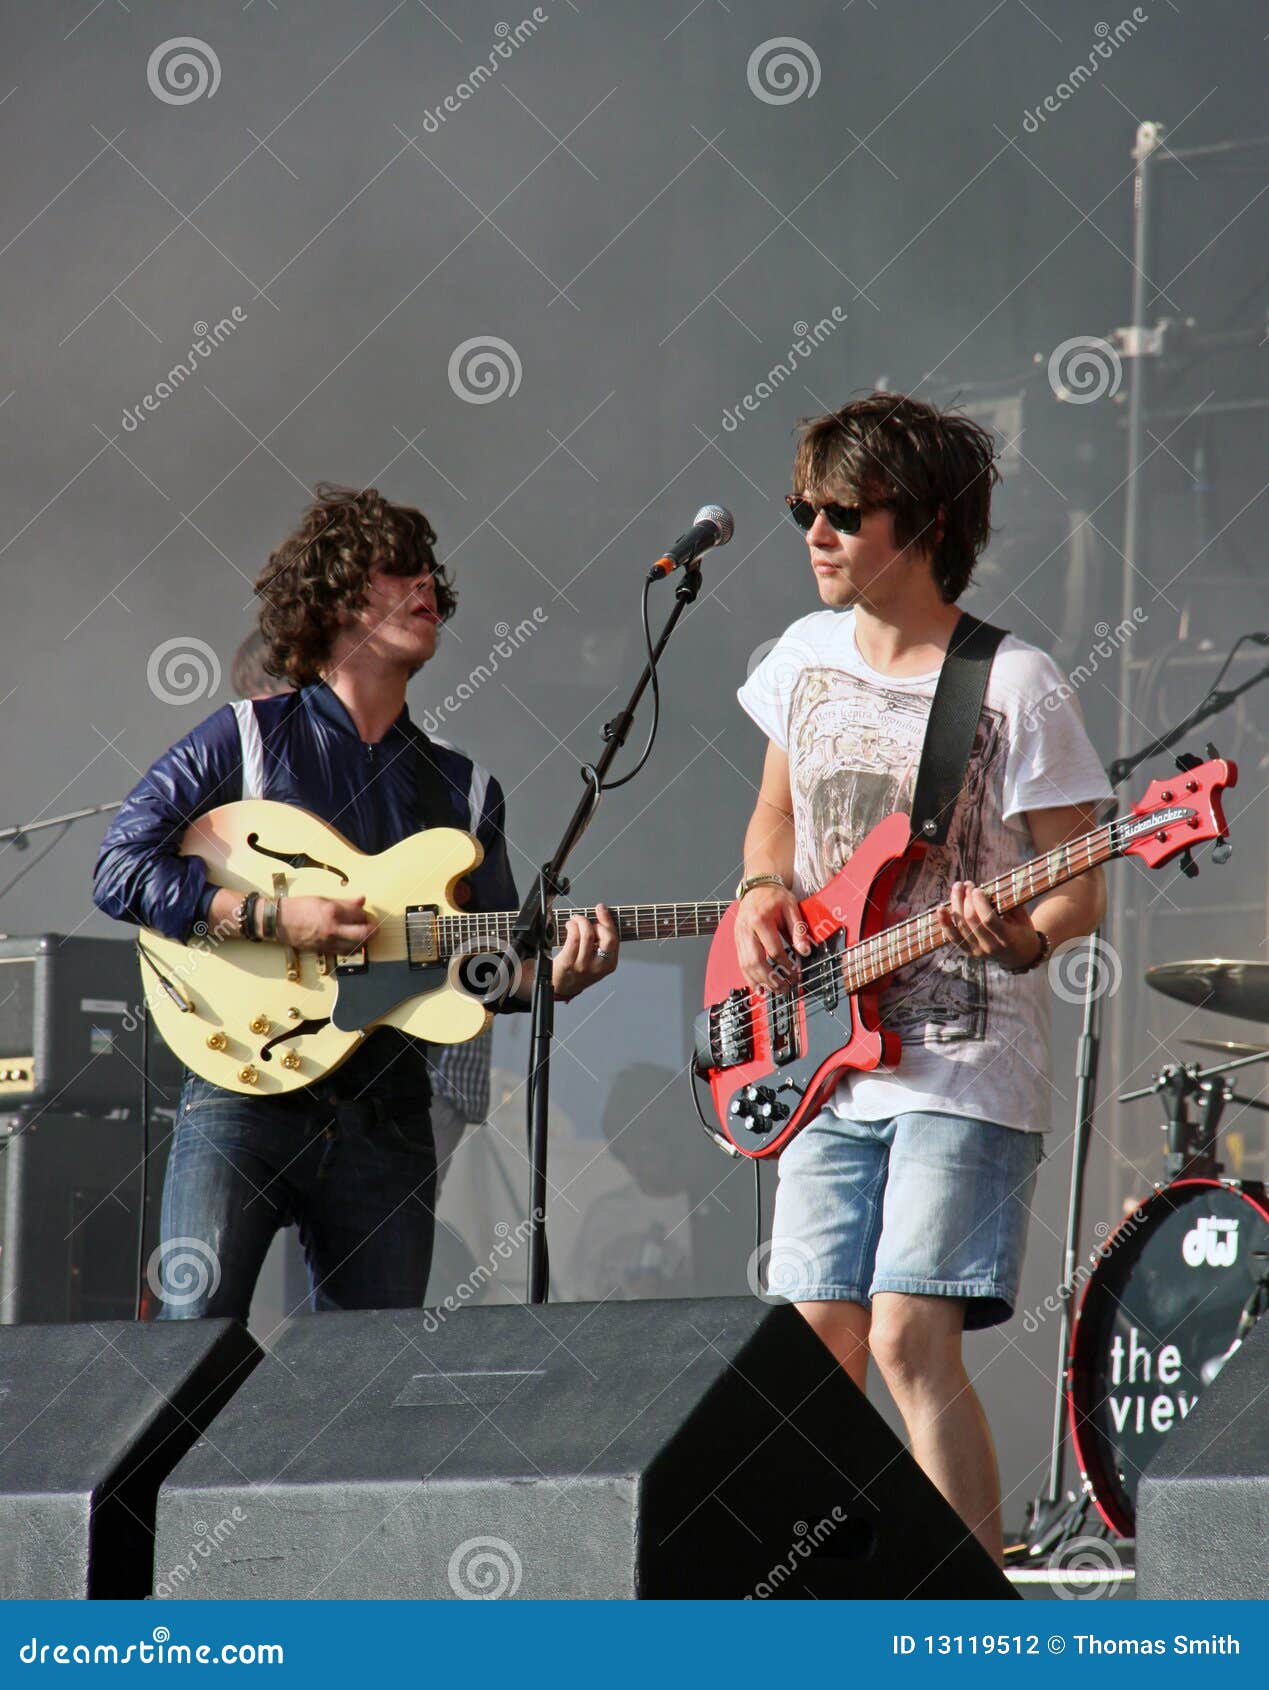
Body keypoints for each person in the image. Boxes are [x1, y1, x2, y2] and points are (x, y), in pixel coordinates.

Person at [734, 393, 1112, 1567]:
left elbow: (1078, 888)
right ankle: (832, 1605)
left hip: (961, 1063)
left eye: (845, 512)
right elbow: (774, 817)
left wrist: (1017, 937)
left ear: (928, 523)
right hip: (819, 1054)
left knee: (907, 1338)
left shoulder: (1017, 682)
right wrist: (761, 892)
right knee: (820, 1345)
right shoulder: (801, 656)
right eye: (805, 510)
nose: (817, 533)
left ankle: (970, 1613)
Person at [93, 483, 619, 1321]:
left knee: (364, 1380)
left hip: (390, 1114)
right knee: (188, 1350)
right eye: (397, 571)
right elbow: (119, 869)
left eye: (428, 573)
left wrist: (552, 979)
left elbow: (486, 969)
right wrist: (271, 918)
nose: (426, 587)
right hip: (243, 1090)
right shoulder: (244, 737)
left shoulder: (464, 788)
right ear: (336, 597)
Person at [227, 627, 489, 1199]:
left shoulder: (432, 775)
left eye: (270, 701)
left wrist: (542, 973)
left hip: (425, 1068)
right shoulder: (258, 761)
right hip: (302, 1054)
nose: (267, 724)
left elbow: (483, 927)